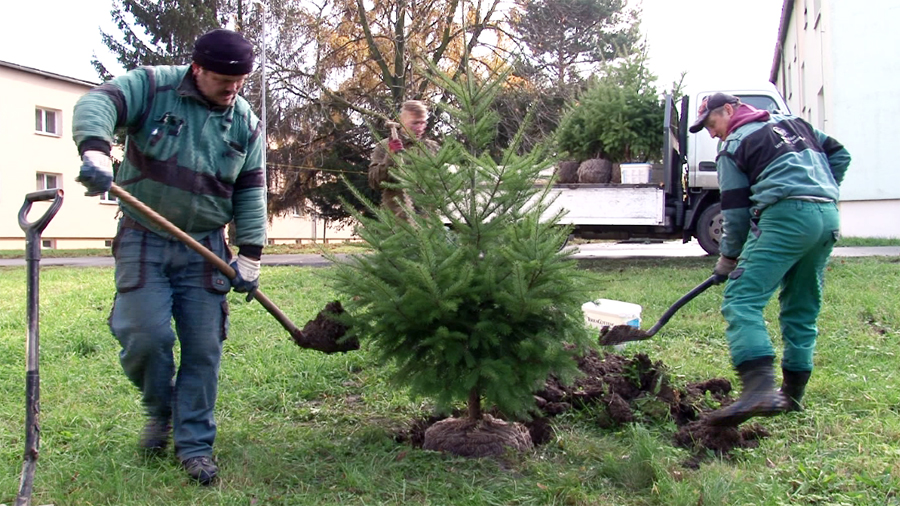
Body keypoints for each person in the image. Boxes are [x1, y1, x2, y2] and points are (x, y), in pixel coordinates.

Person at [72, 29, 266, 485]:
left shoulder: (244, 121)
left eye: (241, 81)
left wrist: (251, 254)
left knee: (203, 349)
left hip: (207, 248)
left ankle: (194, 444)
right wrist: (96, 151)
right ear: (197, 68)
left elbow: (252, 191)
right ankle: (161, 411)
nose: (232, 88)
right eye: (223, 79)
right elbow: (97, 103)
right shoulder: (154, 86)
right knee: (145, 336)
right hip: (145, 238)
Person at [689, 93, 851, 426]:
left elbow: (733, 214)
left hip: (787, 217)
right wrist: (820, 187)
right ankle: (791, 396)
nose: (712, 134)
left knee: (741, 300)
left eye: (711, 124)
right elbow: (840, 154)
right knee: (802, 305)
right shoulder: (795, 125)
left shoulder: (734, 145)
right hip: (827, 218)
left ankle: (760, 389)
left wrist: (728, 258)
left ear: (729, 111)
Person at [368, 100, 440, 219]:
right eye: (415, 123)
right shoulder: (385, 146)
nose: (420, 128)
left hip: (429, 222)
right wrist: (391, 157)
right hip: (397, 222)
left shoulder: (432, 148)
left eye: (423, 123)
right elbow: (374, 182)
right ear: (402, 122)